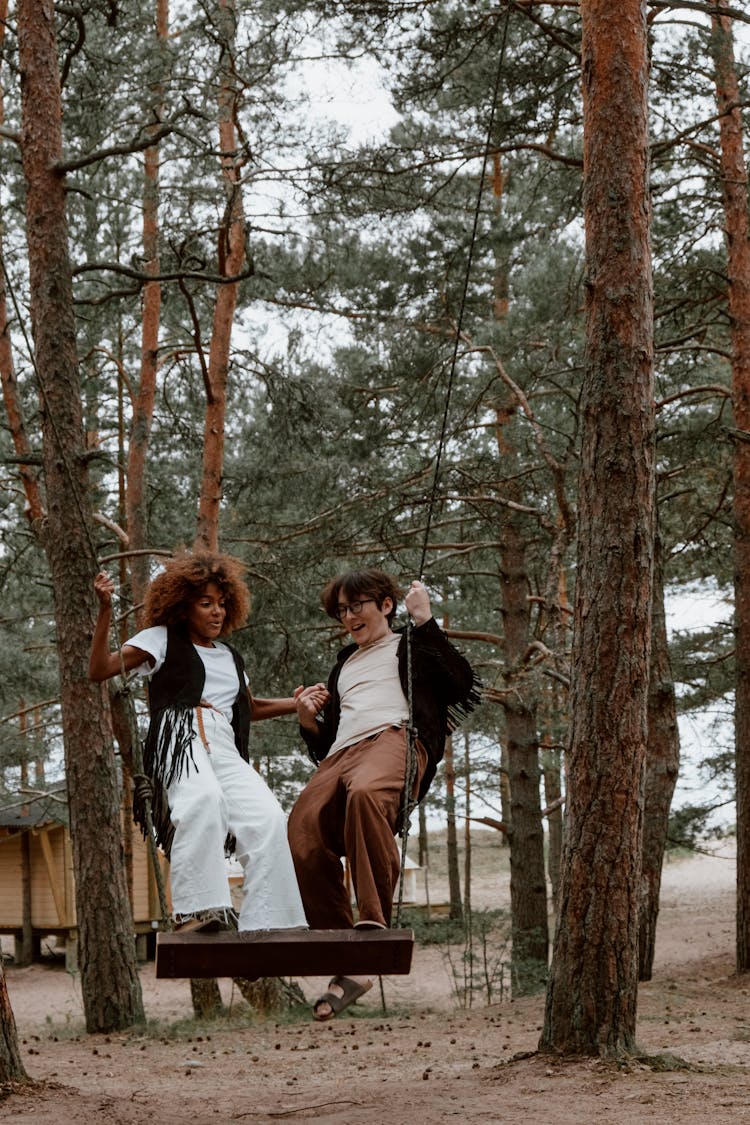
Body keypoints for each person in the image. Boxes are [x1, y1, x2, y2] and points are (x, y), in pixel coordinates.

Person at [88, 551, 326, 933]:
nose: (216, 612)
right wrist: (104, 611)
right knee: (203, 800)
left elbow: (250, 707)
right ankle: (198, 911)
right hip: (179, 733)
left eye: (221, 603)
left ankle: (271, 923)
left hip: (224, 741)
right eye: (205, 603)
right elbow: (99, 669)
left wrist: (297, 703)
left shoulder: (231, 657)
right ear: (183, 607)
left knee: (267, 818)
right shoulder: (161, 639)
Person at [288, 568, 480, 1020]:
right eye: (341, 611)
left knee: (366, 795)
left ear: (385, 606)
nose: (348, 617)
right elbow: (324, 742)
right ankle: (345, 956)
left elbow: (460, 683)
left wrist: (426, 620)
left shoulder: (412, 645)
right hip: (341, 754)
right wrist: (306, 719)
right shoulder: (343, 666)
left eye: (357, 606)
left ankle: (373, 923)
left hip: (395, 739)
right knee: (300, 829)